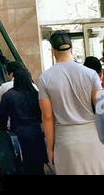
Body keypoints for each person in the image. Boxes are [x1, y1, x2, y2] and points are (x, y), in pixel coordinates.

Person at [38, 30, 104, 175]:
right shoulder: (91, 74)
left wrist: (50, 148)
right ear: (71, 48)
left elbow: (47, 117)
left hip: (65, 141)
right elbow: (101, 108)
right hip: (94, 138)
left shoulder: (45, 78)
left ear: (53, 50)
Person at [0, 68, 48, 175]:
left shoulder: (8, 95)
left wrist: (1, 129)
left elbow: (2, 117)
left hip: (18, 134)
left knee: (22, 167)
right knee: (38, 168)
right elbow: (43, 116)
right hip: (36, 134)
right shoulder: (37, 95)